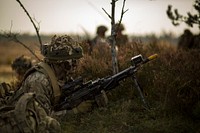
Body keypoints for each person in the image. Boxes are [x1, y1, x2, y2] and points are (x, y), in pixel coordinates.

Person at [0, 35, 107, 132]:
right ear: (59, 63)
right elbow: (42, 119)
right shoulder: (39, 81)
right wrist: (75, 111)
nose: (75, 66)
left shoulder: (61, 75)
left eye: (76, 62)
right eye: (71, 63)